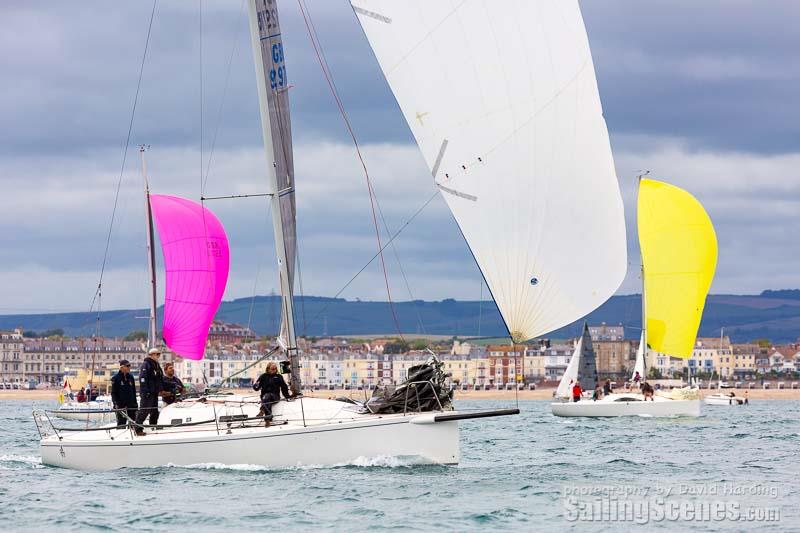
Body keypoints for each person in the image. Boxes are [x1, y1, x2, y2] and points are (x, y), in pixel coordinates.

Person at [134, 348, 164, 435]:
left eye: (159, 354)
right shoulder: (146, 364)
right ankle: (138, 429)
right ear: (152, 354)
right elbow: (143, 378)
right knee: (144, 411)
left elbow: (159, 378)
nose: (158, 356)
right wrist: (146, 391)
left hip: (154, 392)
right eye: (157, 354)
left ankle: (153, 427)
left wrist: (161, 389)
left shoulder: (156, 365)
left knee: (154, 411)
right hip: (147, 392)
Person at [253, 362, 291, 426]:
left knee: (267, 396)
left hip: (275, 396)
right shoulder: (263, 376)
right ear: (268, 369)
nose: (274, 370)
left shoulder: (279, 377)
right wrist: (255, 386)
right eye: (272, 369)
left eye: (275, 369)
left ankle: (264, 412)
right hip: (265, 397)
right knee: (266, 397)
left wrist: (287, 397)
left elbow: (284, 387)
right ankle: (268, 418)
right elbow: (257, 388)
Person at [111, 359, 138, 428]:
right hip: (121, 406)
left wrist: (135, 404)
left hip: (131, 406)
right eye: (127, 366)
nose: (129, 367)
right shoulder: (115, 378)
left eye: (130, 366)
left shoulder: (131, 377)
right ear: (121, 367)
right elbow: (113, 393)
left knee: (132, 425)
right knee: (121, 425)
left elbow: (134, 391)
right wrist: (116, 404)